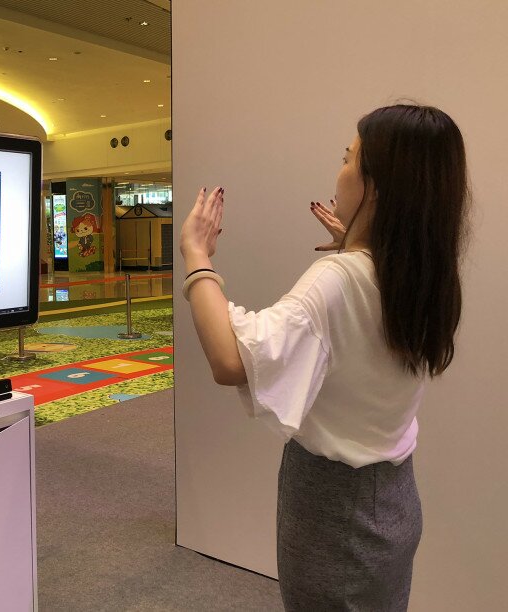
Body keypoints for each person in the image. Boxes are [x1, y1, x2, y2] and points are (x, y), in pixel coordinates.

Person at [180, 104, 469, 611]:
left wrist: (197, 256)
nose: (339, 169)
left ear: (375, 186)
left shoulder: (337, 281)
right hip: (396, 499)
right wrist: (353, 244)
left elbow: (231, 359)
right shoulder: (424, 274)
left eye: (348, 157)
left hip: (334, 511)